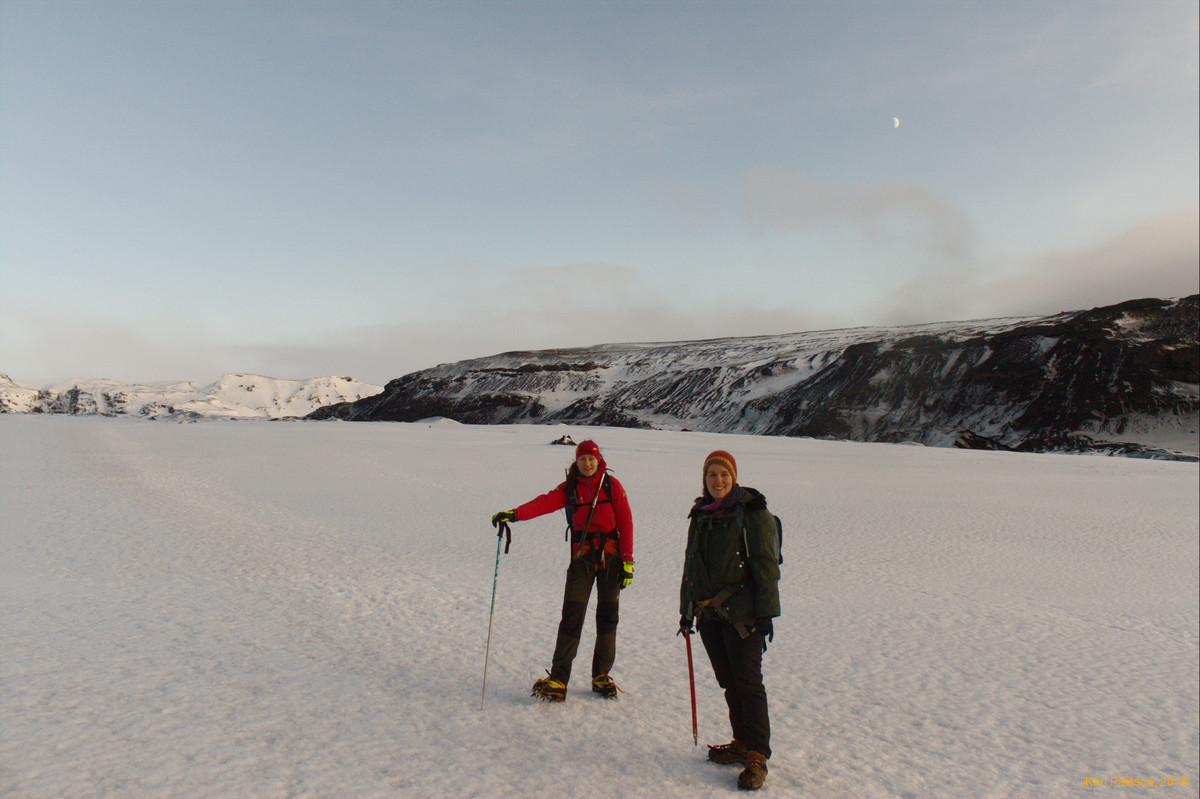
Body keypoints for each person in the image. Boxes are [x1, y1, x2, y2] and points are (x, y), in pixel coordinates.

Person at [492, 440, 634, 702]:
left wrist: (627, 561)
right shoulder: (570, 488)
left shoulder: (612, 486)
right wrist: (515, 514)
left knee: (607, 616)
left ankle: (601, 675)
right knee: (572, 614)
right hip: (582, 557)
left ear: (598, 460)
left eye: (591, 459)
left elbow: (625, 521)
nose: (587, 463)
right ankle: (559, 678)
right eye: (583, 459)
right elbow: (544, 503)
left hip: (612, 557)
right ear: (576, 461)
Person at [678, 450, 780, 791]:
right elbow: (691, 564)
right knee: (729, 681)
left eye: (723, 474)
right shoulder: (701, 513)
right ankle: (741, 743)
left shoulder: (753, 512)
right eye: (712, 475)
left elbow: (766, 567)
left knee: (749, 684)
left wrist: (766, 613)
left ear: (733, 477)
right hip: (709, 616)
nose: (718, 481)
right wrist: (686, 609)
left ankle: (757, 755)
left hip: (742, 616)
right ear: (704, 480)